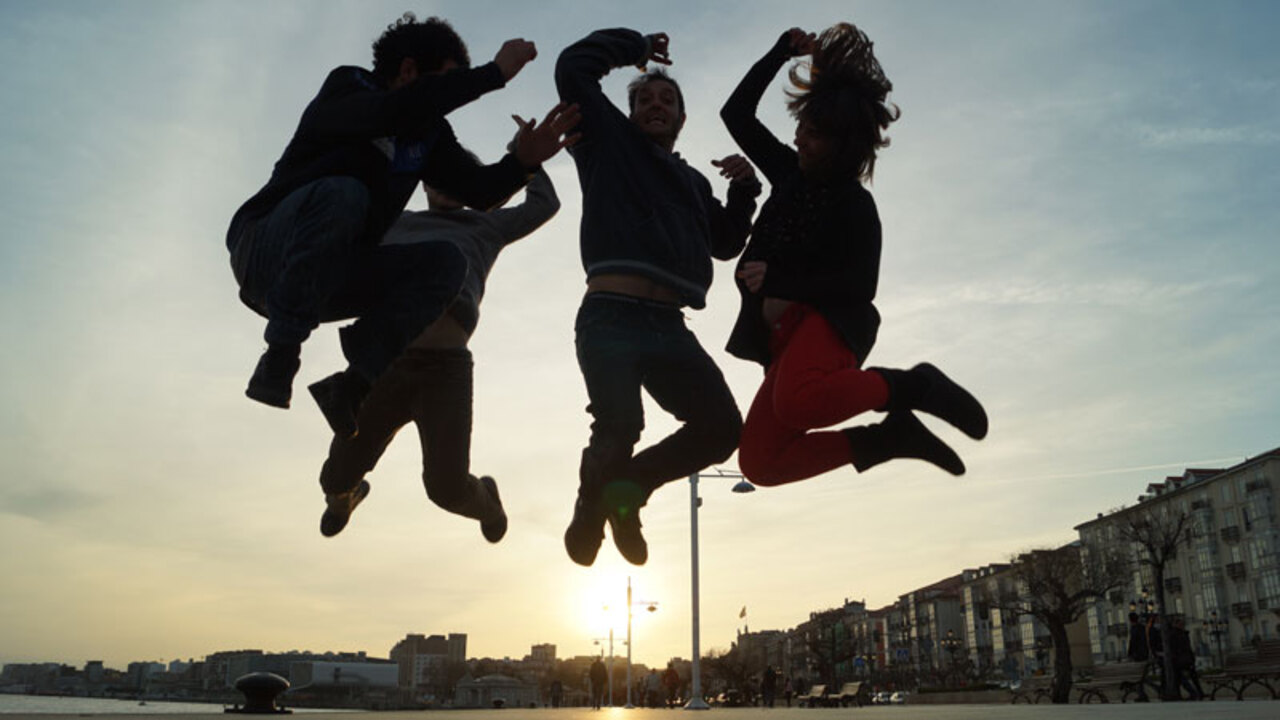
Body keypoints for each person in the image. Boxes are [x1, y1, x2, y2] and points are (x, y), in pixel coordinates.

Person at [227, 12, 577, 437]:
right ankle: (281, 355)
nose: (442, 99)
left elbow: (478, 191)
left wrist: (524, 163)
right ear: (409, 69)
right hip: (266, 249)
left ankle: (352, 385)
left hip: (328, 279)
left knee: (448, 262)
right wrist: (493, 74)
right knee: (345, 193)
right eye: (442, 82)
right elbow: (394, 109)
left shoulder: (428, 135)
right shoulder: (350, 86)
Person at [719, 25, 986, 489]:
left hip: (832, 325)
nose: (800, 139)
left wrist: (780, 279)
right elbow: (736, 114)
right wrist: (779, 52)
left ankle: (914, 386)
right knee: (759, 463)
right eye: (802, 127)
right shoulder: (788, 173)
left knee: (797, 403)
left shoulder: (853, 204)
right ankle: (889, 439)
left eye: (814, 135)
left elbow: (861, 287)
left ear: (842, 145)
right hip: (781, 342)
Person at [555, 28, 760, 566]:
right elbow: (574, 68)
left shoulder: (694, 183)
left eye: (666, 99)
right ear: (629, 112)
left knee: (721, 429)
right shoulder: (609, 144)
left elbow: (725, 243)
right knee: (620, 423)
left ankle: (624, 490)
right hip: (609, 316)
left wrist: (744, 191)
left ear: (681, 118)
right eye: (644, 98)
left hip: (669, 326)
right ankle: (590, 503)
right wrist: (635, 49)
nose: (655, 104)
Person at [315, 153, 561, 539]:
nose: (447, 185)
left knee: (446, 489)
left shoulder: (486, 225)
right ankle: (344, 497)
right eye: (440, 178)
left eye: (459, 179)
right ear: (425, 184)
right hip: (384, 366)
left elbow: (544, 205)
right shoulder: (395, 223)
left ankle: (488, 502)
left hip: (445, 372)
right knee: (335, 476)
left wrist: (527, 158)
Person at [1170, 616, 1204, 700]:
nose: (1183, 625)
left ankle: (1193, 693)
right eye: (1181, 624)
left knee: (1179, 677)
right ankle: (1198, 692)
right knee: (1190, 677)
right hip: (1186, 658)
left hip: (1180, 659)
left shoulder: (1175, 634)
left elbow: (1177, 648)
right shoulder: (1182, 634)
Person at [1126, 612, 1151, 701]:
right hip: (1144, 654)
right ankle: (1142, 694)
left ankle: (1142, 695)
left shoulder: (1134, 629)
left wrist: (1130, 654)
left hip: (1138, 656)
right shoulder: (1142, 628)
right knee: (1141, 676)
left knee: (1138, 677)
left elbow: (1133, 642)